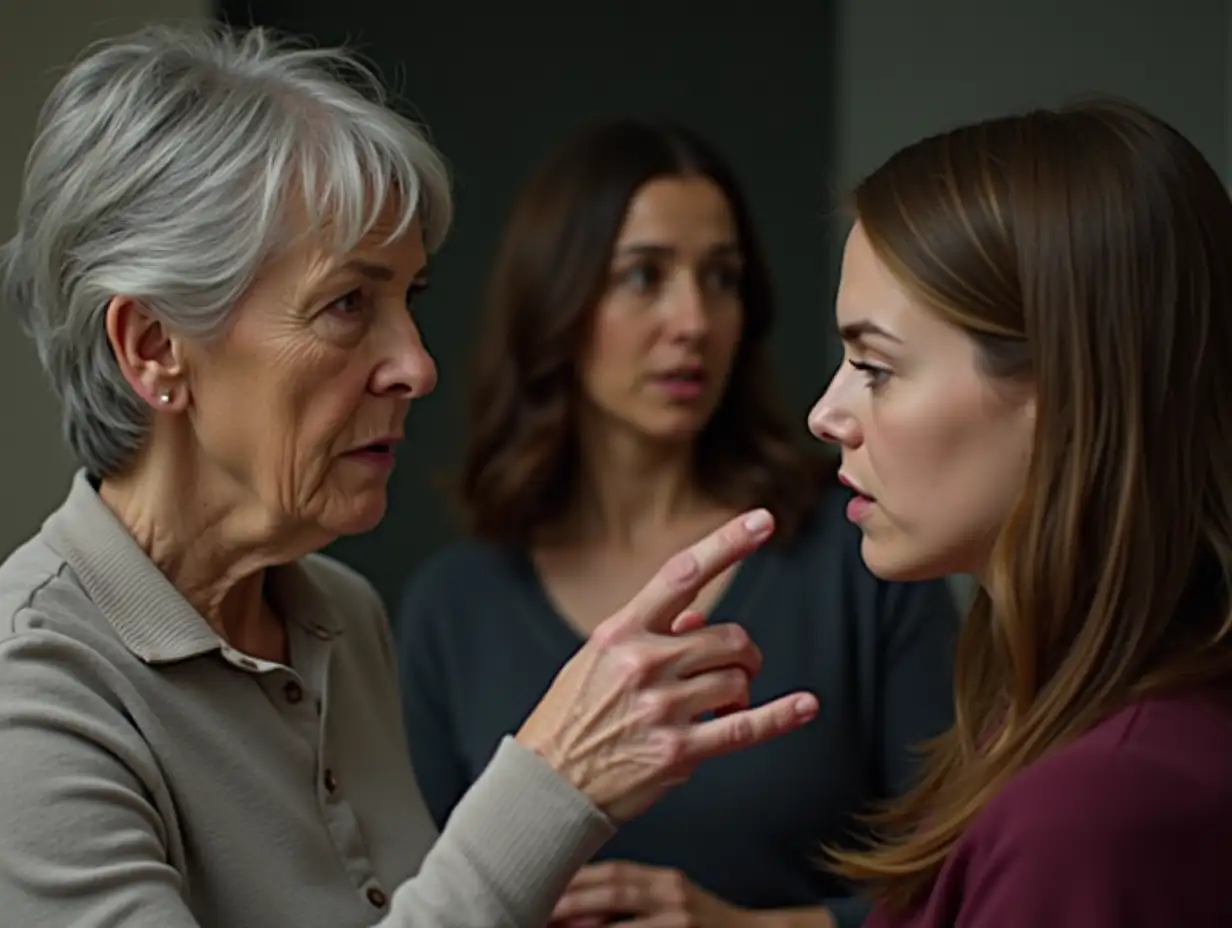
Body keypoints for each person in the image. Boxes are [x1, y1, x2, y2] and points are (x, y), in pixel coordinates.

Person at [0, 24, 821, 928]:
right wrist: (549, 789)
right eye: (350, 303)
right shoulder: (33, 687)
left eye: (409, 299)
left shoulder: (343, 616)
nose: (417, 366)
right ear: (155, 348)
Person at [394, 119, 959, 928]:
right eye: (644, 276)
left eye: (722, 278)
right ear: (557, 299)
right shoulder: (451, 609)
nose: (693, 320)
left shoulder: (861, 553)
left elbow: (969, 885)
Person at [809, 99, 1232, 927]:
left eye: (876, 367)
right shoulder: (1048, 735)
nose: (826, 414)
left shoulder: (1093, 816)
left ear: (1066, 395)